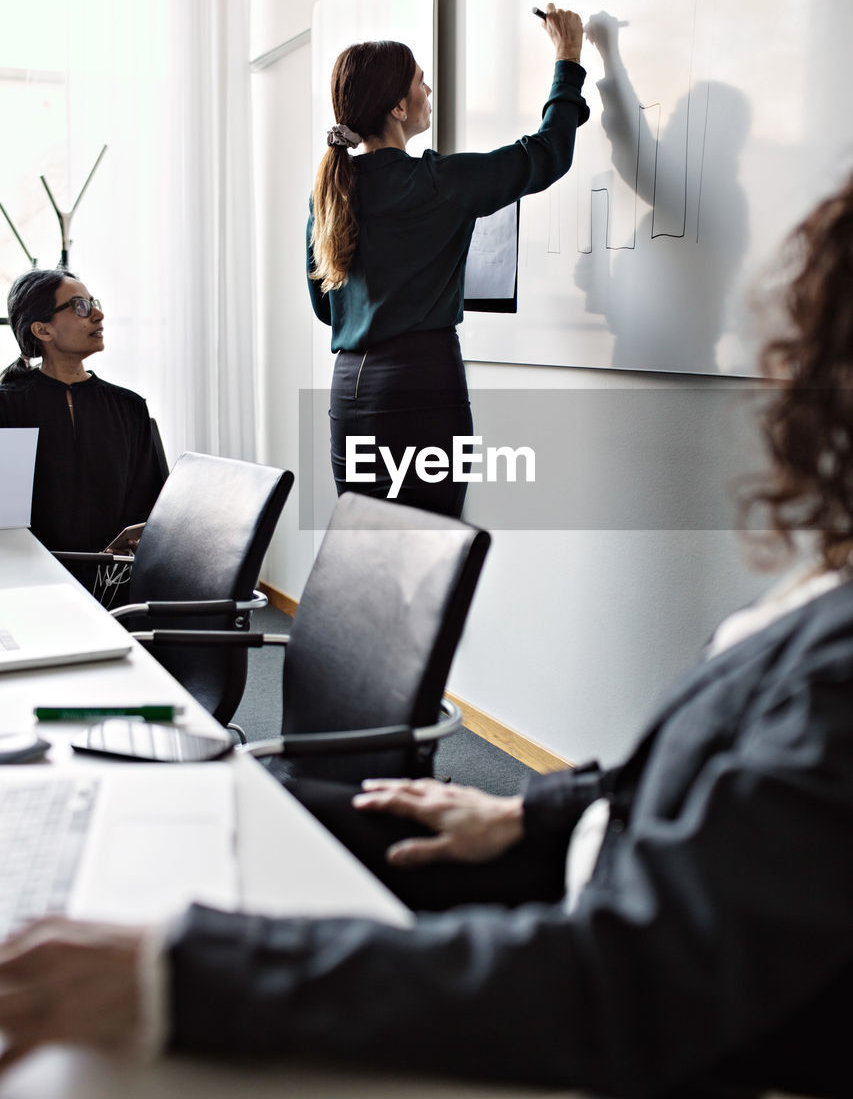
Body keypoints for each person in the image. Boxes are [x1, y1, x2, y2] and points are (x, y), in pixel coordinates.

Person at [4, 175, 853, 1096]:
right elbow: (721, 772)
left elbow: (638, 978)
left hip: (605, 964)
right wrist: (533, 809)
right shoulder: (822, 589)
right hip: (574, 852)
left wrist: (184, 977)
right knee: (174, 838)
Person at [308, 4, 589, 516]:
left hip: (349, 391)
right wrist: (567, 57)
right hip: (418, 389)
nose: (428, 91)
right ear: (398, 106)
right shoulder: (436, 183)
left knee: (368, 557)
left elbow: (327, 309)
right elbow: (550, 153)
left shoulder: (330, 194)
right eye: (420, 81)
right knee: (429, 556)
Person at [0, 269, 166, 575]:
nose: (98, 315)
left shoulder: (129, 407)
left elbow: (151, 506)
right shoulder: (6, 405)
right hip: (27, 574)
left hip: (114, 579)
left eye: (93, 303)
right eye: (81, 307)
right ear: (42, 330)